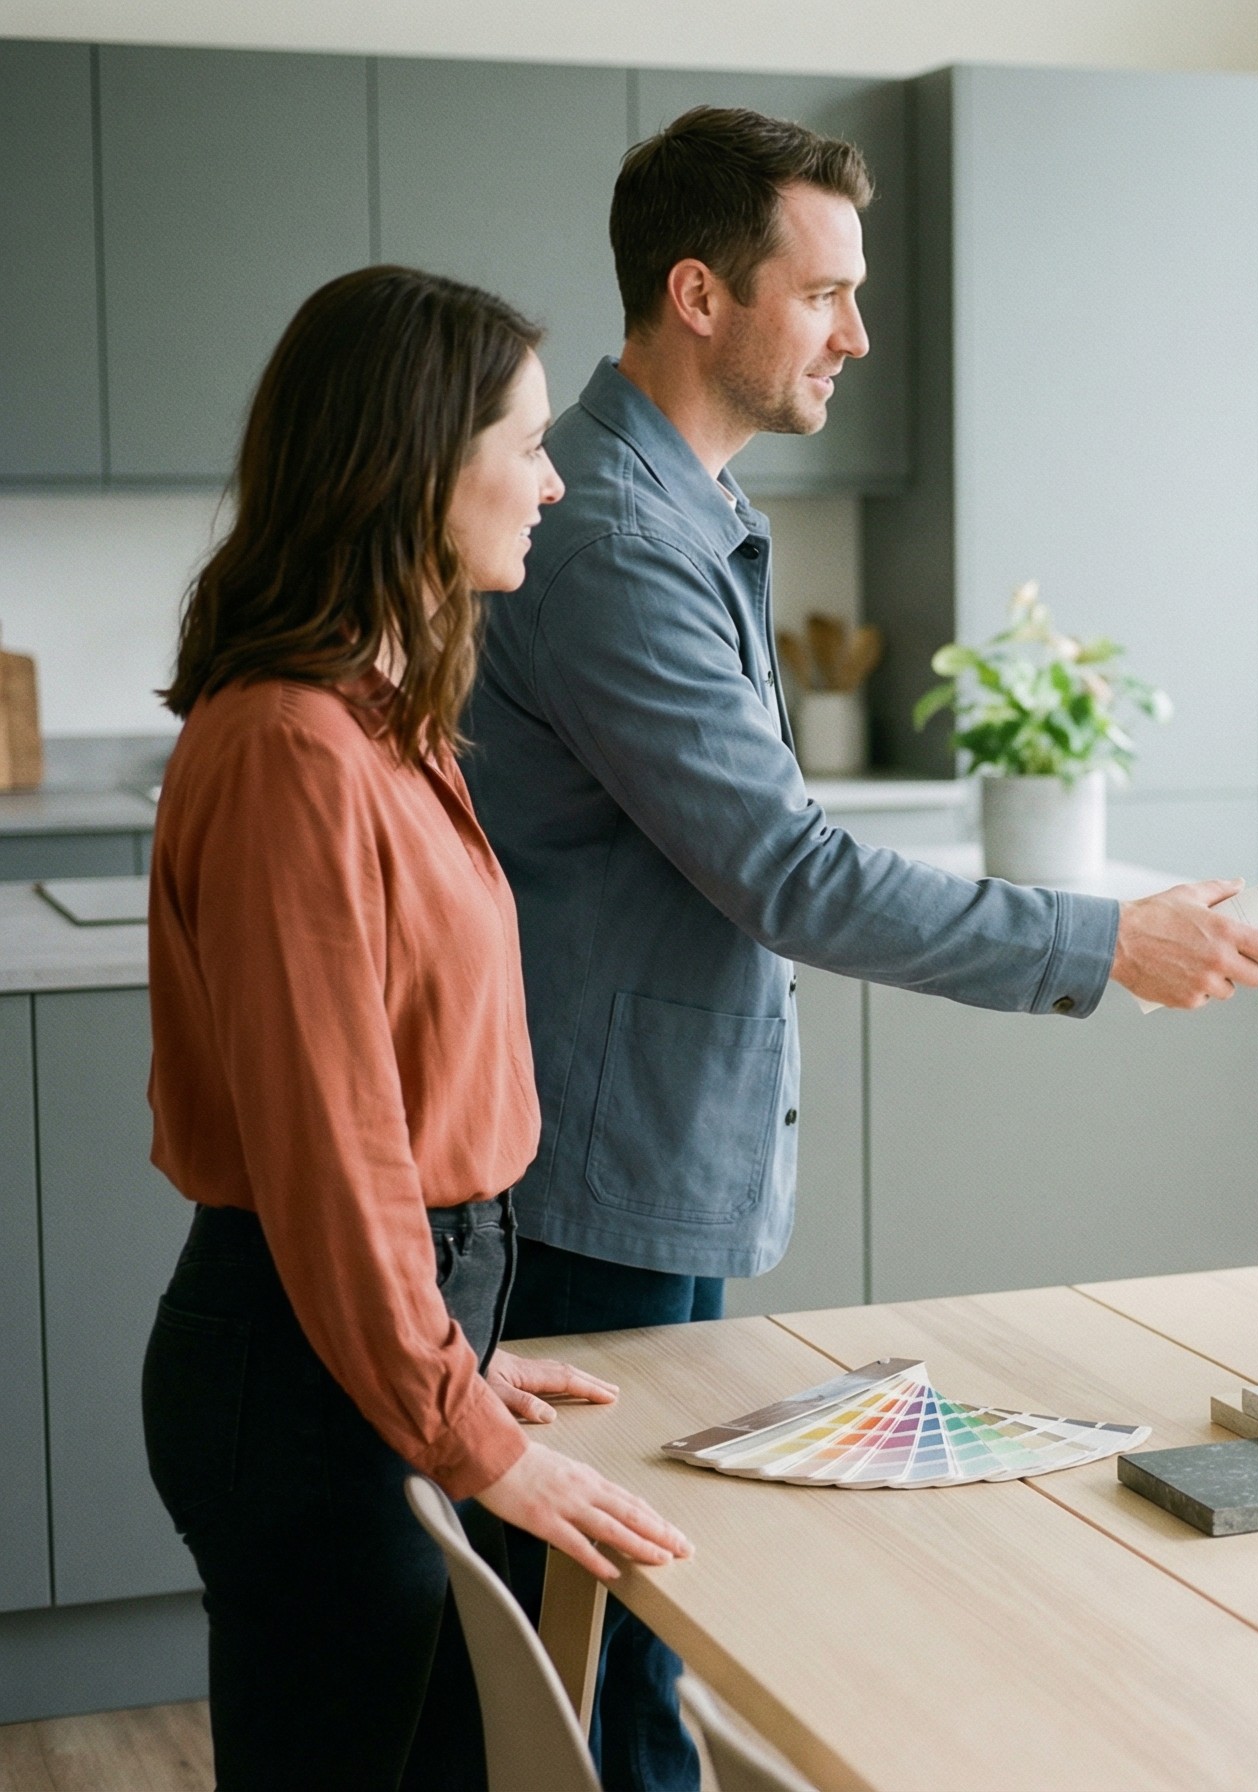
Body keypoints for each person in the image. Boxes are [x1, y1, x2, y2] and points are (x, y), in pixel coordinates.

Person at [463, 108, 1258, 1788]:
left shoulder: (667, 501)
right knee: (608, 1634)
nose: (859, 331)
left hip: (624, 1141)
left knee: (623, 1616)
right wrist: (1102, 940)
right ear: (701, 295)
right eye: (826, 290)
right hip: (591, 1170)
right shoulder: (622, 535)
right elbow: (789, 869)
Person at [142, 265, 692, 1790]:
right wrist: (462, 1419)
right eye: (523, 440)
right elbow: (335, 1160)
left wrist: (451, 1363)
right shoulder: (290, 748)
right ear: (415, 462)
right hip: (302, 1379)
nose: (554, 476)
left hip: (363, 1350)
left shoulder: (371, 719)